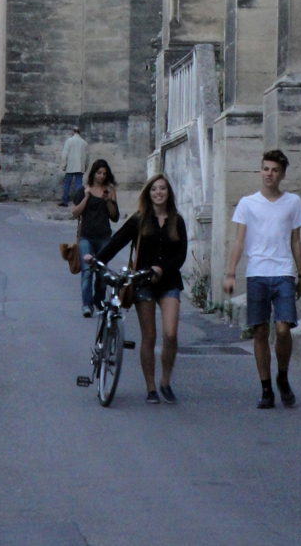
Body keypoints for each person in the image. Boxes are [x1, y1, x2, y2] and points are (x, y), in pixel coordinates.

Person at [223, 149, 301, 409]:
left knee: (283, 330)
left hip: (283, 272)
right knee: (260, 332)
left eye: (274, 170)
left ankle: (282, 376)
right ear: (260, 171)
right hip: (257, 272)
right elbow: (239, 240)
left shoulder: (293, 202)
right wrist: (230, 272)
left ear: (282, 174)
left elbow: (296, 240)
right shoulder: (248, 203)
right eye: (265, 168)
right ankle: (266, 389)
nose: (268, 174)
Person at [93, 174, 187, 404]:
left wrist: (162, 269)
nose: (158, 193)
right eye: (154, 189)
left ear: (168, 193)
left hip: (169, 282)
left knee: (171, 333)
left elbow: (180, 255)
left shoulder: (177, 220)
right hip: (142, 281)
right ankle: (151, 387)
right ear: (148, 193)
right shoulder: (139, 219)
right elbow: (117, 241)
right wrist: (95, 259)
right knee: (149, 336)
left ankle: (165, 381)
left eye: (163, 189)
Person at [71, 159, 119, 316]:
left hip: (104, 236)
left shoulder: (110, 191)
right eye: (99, 173)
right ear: (93, 173)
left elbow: (115, 216)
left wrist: (107, 201)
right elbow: (75, 213)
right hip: (86, 236)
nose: (102, 176)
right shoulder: (84, 190)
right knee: (87, 272)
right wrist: (86, 197)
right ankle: (86, 304)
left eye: (105, 173)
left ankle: (98, 301)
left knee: (101, 273)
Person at [58, 125, 89, 207]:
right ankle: (79, 202)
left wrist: (63, 165)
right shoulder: (84, 143)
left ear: (73, 131)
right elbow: (87, 157)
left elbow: (65, 155)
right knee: (79, 184)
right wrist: (85, 166)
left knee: (67, 183)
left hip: (70, 166)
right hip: (80, 166)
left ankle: (65, 201)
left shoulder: (69, 141)